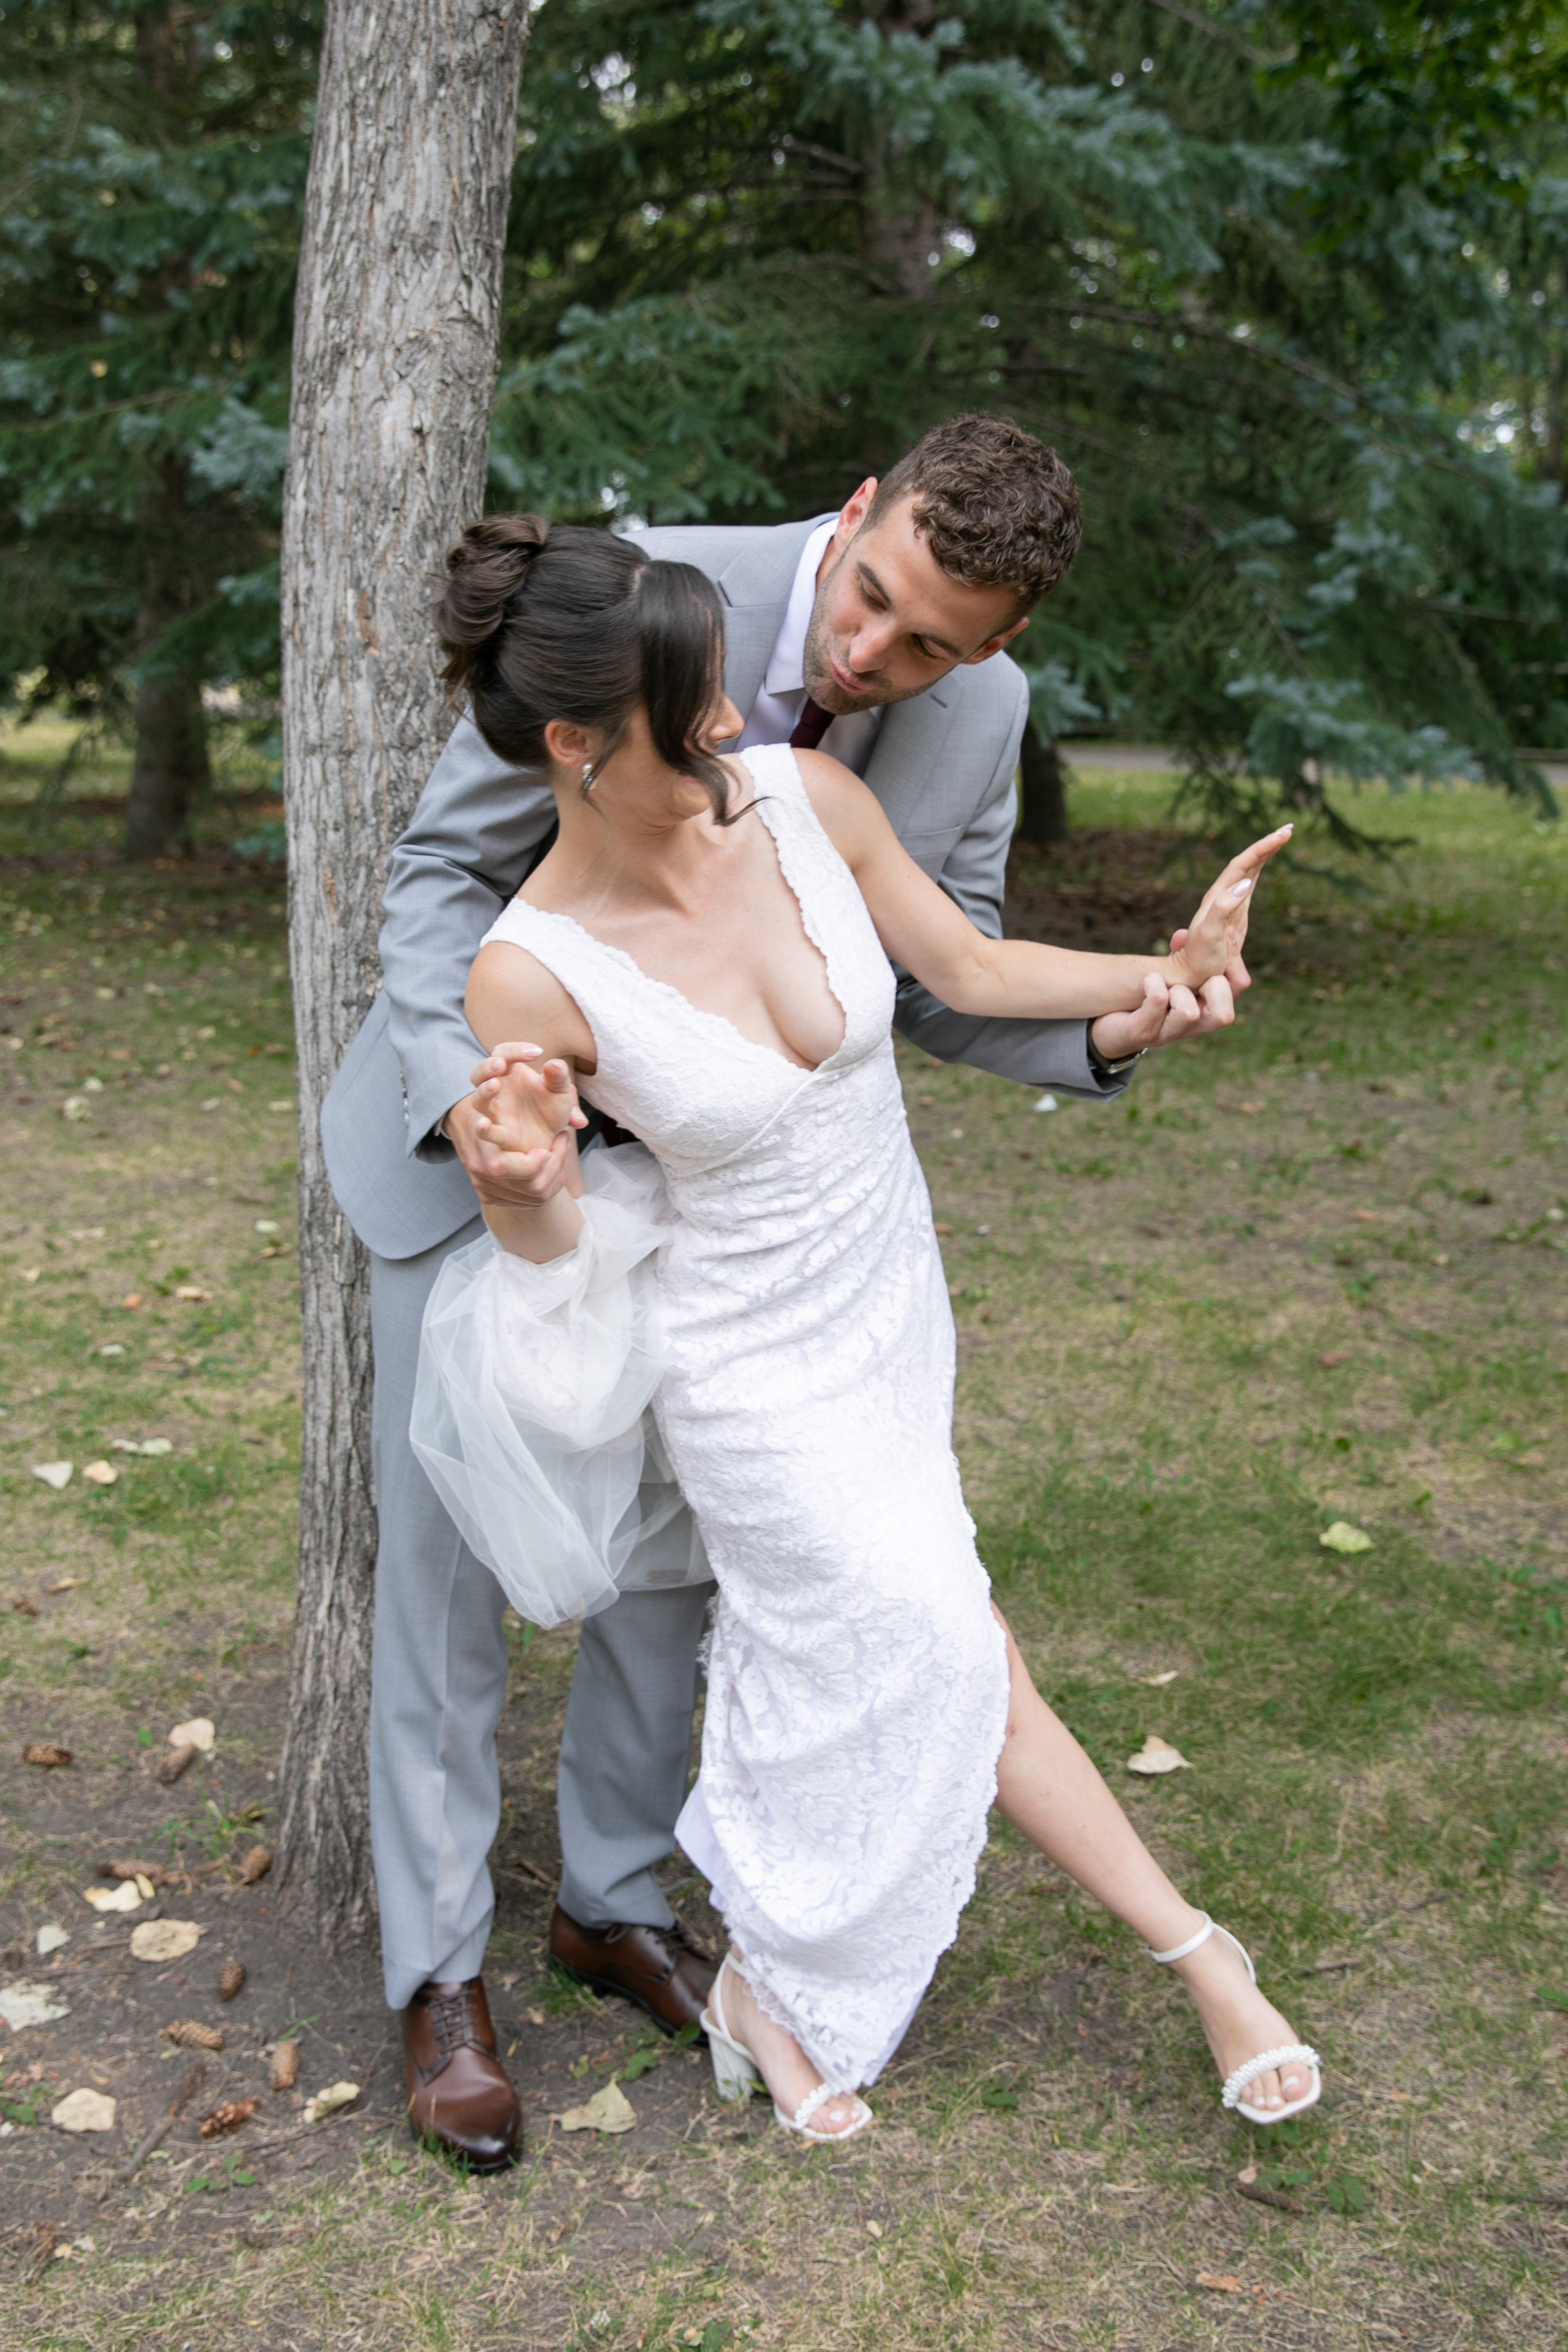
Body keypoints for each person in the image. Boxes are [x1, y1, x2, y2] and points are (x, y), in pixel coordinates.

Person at [320, 417, 1260, 2166]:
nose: (868, 661)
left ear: (996, 654)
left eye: (933, 648)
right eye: (875, 601)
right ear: (855, 513)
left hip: (744, 1214)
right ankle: (437, 1975)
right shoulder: (626, 611)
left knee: (682, 1571)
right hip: (493, 1145)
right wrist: (494, 1109)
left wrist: (1132, 1007)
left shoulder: (960, 723)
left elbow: (935, 969)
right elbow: (445, 877)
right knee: (461, 1580)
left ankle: (610, 1898)